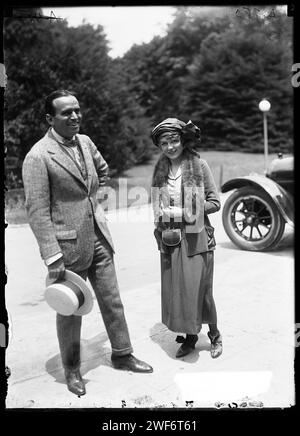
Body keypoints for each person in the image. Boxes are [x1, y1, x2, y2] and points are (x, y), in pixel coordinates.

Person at [22, 89, 153, 397]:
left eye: (77, 110)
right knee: (70, 310)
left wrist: (92, 201)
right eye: (66, 112)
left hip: (99, 237)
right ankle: (71, 370)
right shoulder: (38, 156)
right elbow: (37, 212)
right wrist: (52, 256)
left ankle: (123, 354)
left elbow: (102, 170)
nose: (75, 116)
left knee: (112, 299)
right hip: (67, 248)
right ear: (49, 118)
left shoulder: (86, 141)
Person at [150, 118, 223, 359]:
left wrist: (188, 210)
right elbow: (157, 205)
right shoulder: (160, 170)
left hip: (197, 236)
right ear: (159, 146)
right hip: (171, 238)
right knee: (179, 290)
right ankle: (191, 336)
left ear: (182, 140)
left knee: (201, 290)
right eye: (164, 143)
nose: (170, 147)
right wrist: (159, 225)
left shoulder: (198, 165)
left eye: (174, 140)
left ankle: (214, 335)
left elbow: (215, 202)